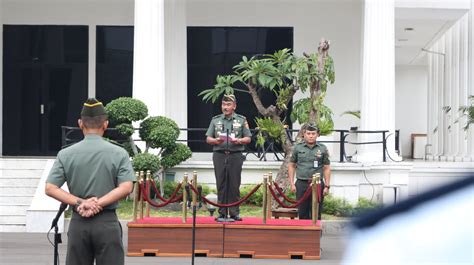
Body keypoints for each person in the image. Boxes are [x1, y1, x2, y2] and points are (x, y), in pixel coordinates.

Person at [45, 98, 135, 265]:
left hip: (79, 222)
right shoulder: (119, 153)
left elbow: (50, 188)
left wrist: (81, 202)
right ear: (106, 124)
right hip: (107, 222)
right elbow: (126, 187)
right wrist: (98, 203)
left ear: (80, 123)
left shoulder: (66, 154)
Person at [205, 94, 252, 222]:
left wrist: (239, 140)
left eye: (228, 105)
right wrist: (215, 140)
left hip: (235, 155)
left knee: (234, 184)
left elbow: (248, 138)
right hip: (219, 155)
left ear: (234, 106)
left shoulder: (241, 120)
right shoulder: (215, 120)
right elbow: (208, 138)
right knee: (221, 184)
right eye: (223, 105)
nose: (225, 107)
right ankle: (221, 213)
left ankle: (234, 212)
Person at [288, 123, 331, 220]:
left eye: (313, 133)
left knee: (316, 211)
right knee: (302, 211)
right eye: (308, 133)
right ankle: (303, 234)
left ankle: (316, 234)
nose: (311, 136)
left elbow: (326, 167)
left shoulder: (322, 148)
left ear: (318, 134)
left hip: (318, 183)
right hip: (302, 183)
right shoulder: (298, 148)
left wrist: (327, 186)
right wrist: (291, 184)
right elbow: (291, 166)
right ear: (304, 134)